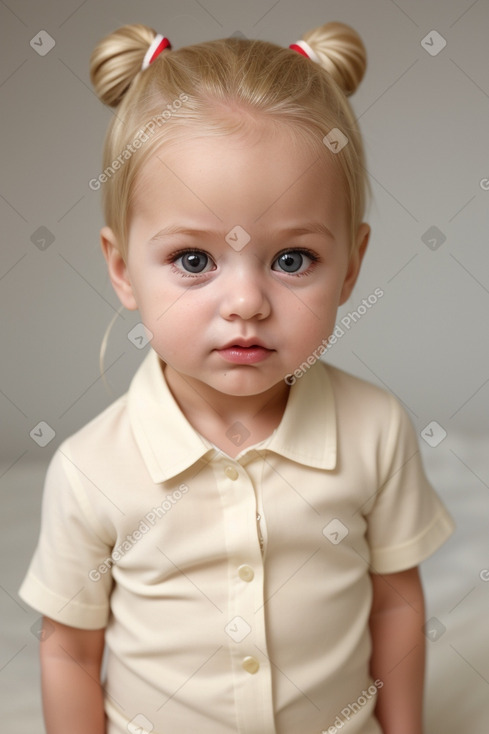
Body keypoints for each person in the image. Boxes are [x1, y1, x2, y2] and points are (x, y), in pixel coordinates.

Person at [19, 21, 455, 734]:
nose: (247, 303)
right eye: (193, 260)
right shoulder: (91, 469)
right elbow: (68, 651)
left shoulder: (374, 430)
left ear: (350, 265)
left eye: (292, 260)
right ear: (123, 268)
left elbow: (396, 601)